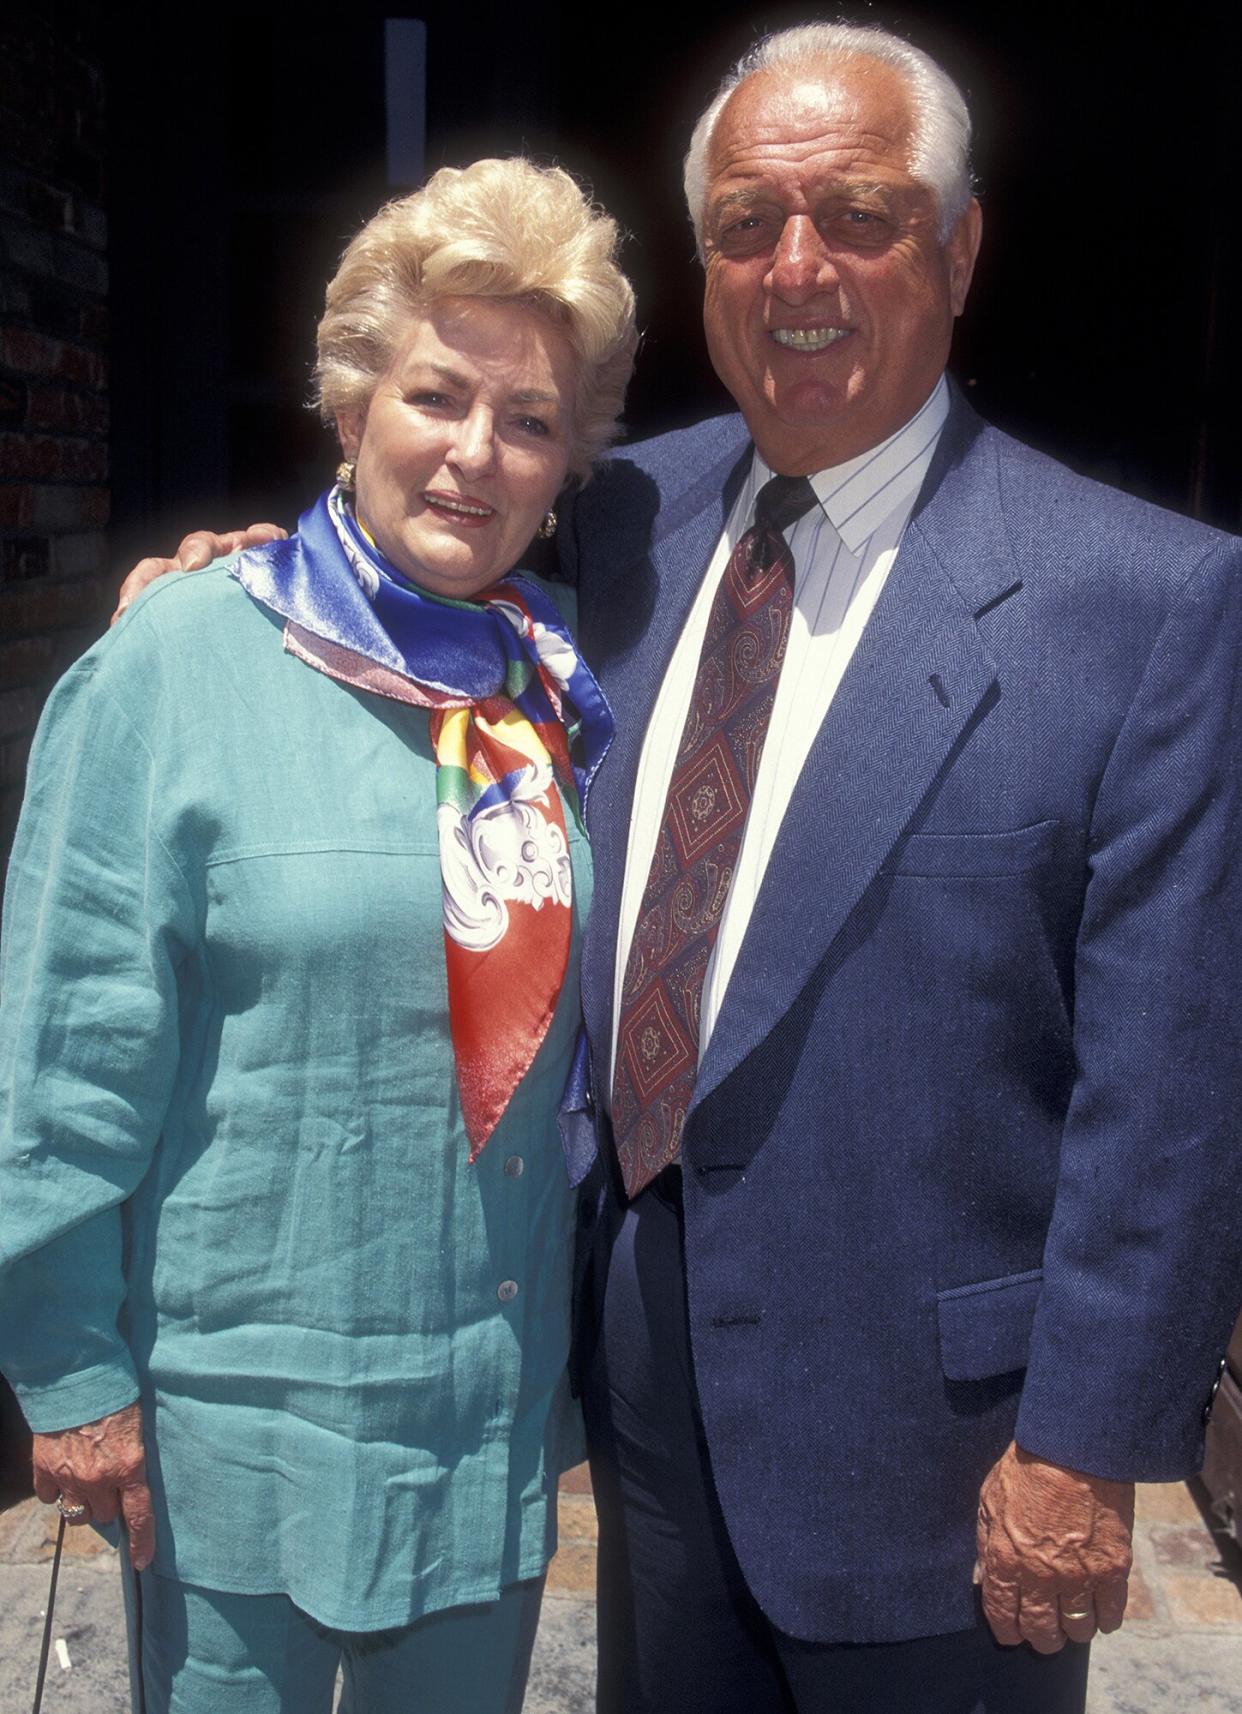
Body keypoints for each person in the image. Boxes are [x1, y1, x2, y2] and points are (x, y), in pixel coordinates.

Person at [115, 23, 1242, 1714]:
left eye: (858, 212)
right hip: (647, 1385)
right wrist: (244, 585)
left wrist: (1083, 1443)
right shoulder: (627, 513)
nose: (797, 266)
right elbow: (427, 545)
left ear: (957, 246)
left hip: (942, 1454)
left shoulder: (1137, 601)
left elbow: (1170, 1080)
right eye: (743, 222)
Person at [0, 156, 636, 1714]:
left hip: (483, 1403)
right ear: (351, 401)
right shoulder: (174, 665)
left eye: (531, 421)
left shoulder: (557, 687)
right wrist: (72, 1374)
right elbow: (67, 1050)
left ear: (571, 464)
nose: (475, 454)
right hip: (240, 1422)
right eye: (435, 395)